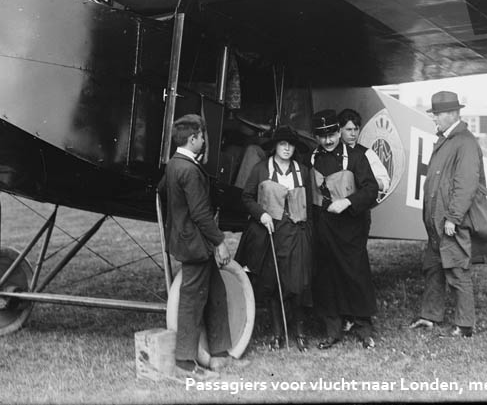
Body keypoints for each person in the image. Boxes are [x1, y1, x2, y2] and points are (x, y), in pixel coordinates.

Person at [408, 91, 487, 338]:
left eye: (437, 114)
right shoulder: (446, 139)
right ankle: (429, 316)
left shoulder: (465, 142)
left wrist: (453, 218)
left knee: (456, 269)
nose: (434, 119)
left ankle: (465, 324)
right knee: (433, 267)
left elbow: (465, 185)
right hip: (437, 221)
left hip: (450, 222)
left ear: (452, 114)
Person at [158, 114, 234, 380]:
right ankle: (184, 363)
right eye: (202, 137)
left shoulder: (174, 164)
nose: (204, 141)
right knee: (191, 302)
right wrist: (220, 241)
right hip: (196, 245)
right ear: (193, 139)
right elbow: (201, 213)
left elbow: (162, 191)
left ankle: (221, 356)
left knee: (216, 293)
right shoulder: (188, 170)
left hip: (188, 241)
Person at [234, 125, 313, 352]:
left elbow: (310, 207)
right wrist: (262, 214)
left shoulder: (302, 171)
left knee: (297, 284)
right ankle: (278, 333)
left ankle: (299, 332)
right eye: (282, 144)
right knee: (273, 283)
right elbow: (247, 197)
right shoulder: (261, 169)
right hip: (271, 233)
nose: (287, 148)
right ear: (275, 147)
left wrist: (309, 236)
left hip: (296, 232)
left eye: (290, 144)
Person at [307, 109, 379, 349]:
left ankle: (363, 328)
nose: (328, 141)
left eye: (332, 134)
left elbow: (371, 190)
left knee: (355, 274)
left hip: (351, 226)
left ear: (339, 132)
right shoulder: (312, 158)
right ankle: (333, 329)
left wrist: (347, 202)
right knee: (327, 278)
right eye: (322, 136)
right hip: (323, 227)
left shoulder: (357, 157)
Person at [338, 108, 390, 194]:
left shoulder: (367, 154)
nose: (353, 134)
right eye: (349, 129)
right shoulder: (331, 152)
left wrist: (365, 180)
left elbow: (385, 183)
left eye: (356, 129)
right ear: (339, 130)